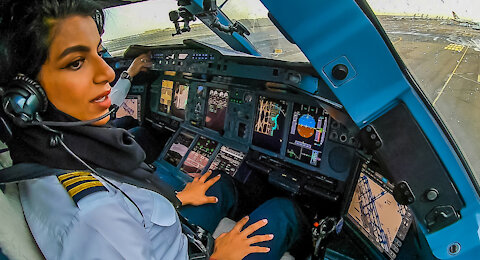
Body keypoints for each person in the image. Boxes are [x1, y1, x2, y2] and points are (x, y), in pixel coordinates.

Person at [0, 0, 305, 259]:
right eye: (77, 62)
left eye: (98, 51)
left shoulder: (55, 151)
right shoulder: (94, 220)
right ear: (25, 95)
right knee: (285, 211)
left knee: (220, 185)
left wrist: (176, 199)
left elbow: (128, 206)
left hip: (171, 235)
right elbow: (112, 219)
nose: (107, 71)